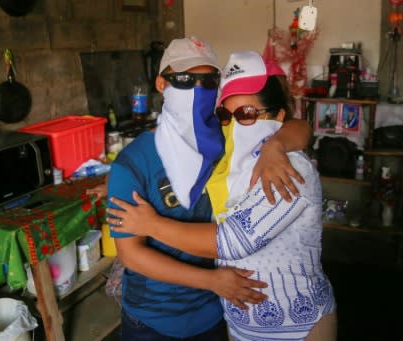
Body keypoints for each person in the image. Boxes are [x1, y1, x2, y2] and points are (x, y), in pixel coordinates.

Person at [110, 51, 337, 341]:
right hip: (226, 322)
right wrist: (119, 180)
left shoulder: (285, 167)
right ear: (161, 85)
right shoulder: (223, 154)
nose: (233, 125)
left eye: (247, 114)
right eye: (225, 115)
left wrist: (276, 145)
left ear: (278, 117)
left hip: (294, 326)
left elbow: (234, 241)